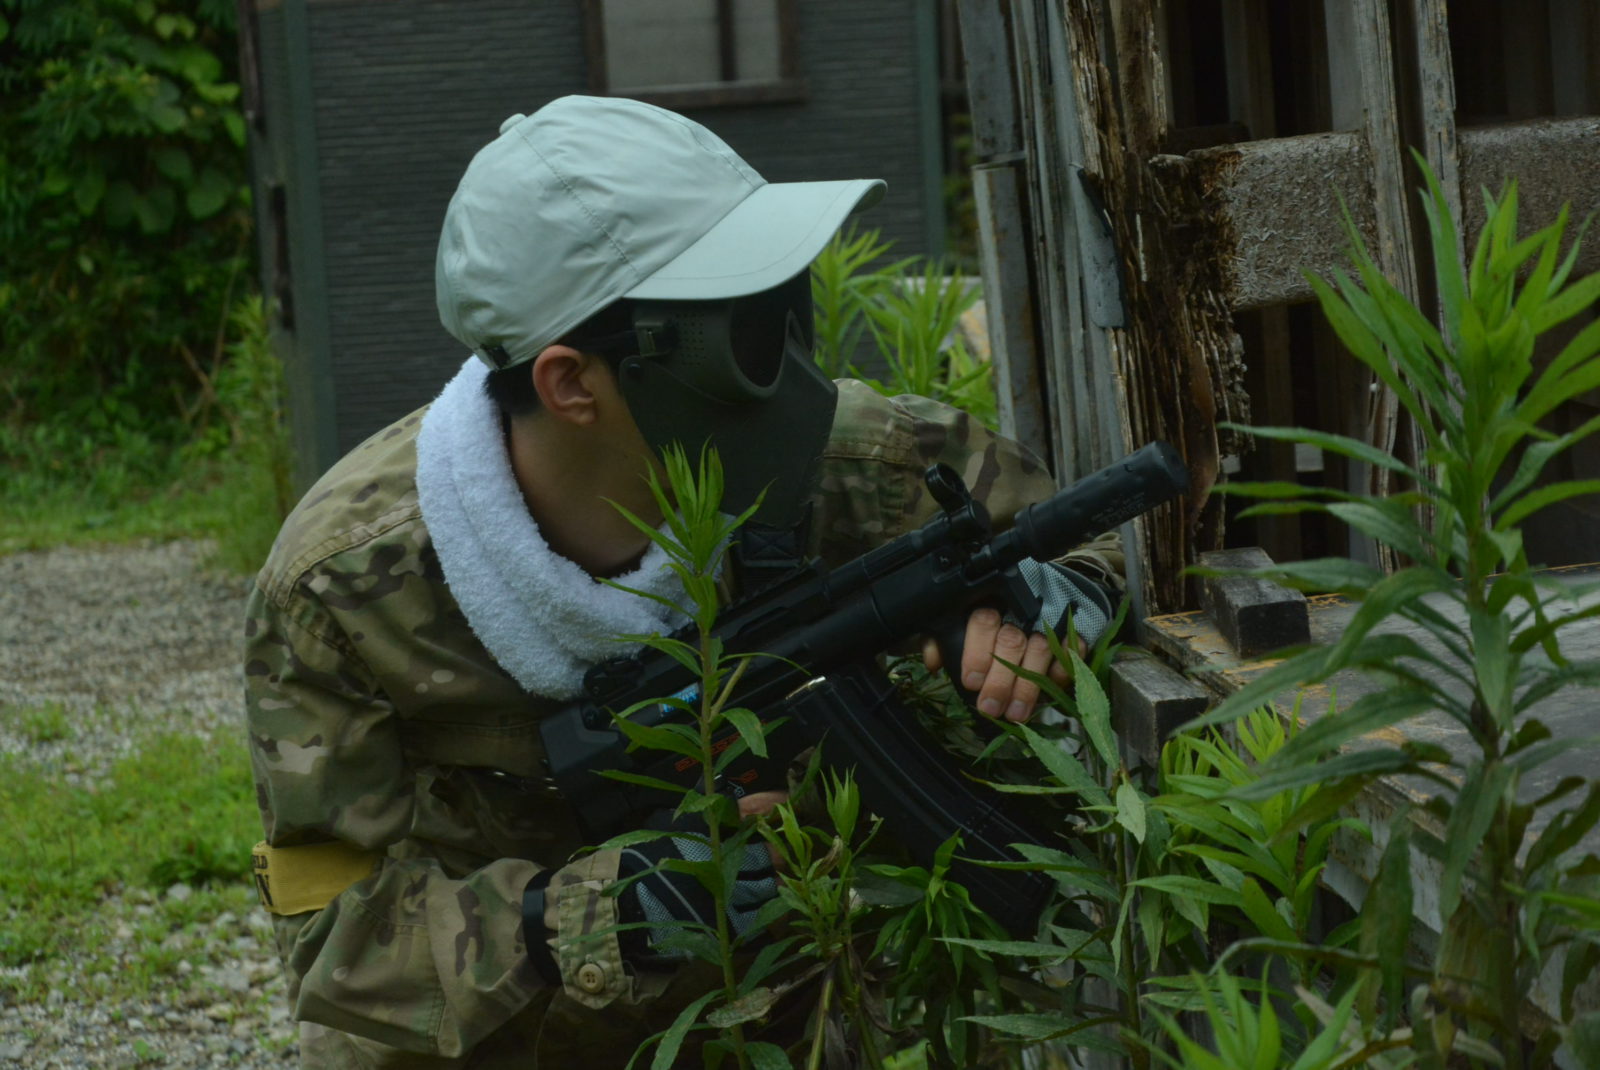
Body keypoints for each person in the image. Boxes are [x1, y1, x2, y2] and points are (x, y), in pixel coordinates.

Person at [243, 94, 1123, 1067]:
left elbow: (1090, 541)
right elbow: (336, 942)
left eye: (783, 306)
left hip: (800, 1017)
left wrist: (1043, 611)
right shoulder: (346, 590)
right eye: (739, 334)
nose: (789, 370)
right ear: (571, 383)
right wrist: (594, 914)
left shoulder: (855, 460)